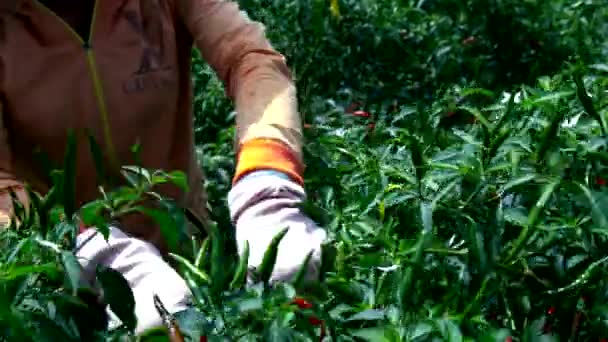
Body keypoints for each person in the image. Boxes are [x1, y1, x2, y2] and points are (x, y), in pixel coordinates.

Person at [0, 0, 327, 334]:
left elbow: (250, 58)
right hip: (68, 293)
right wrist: (96, 251)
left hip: (193, 259)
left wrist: (266, 179)